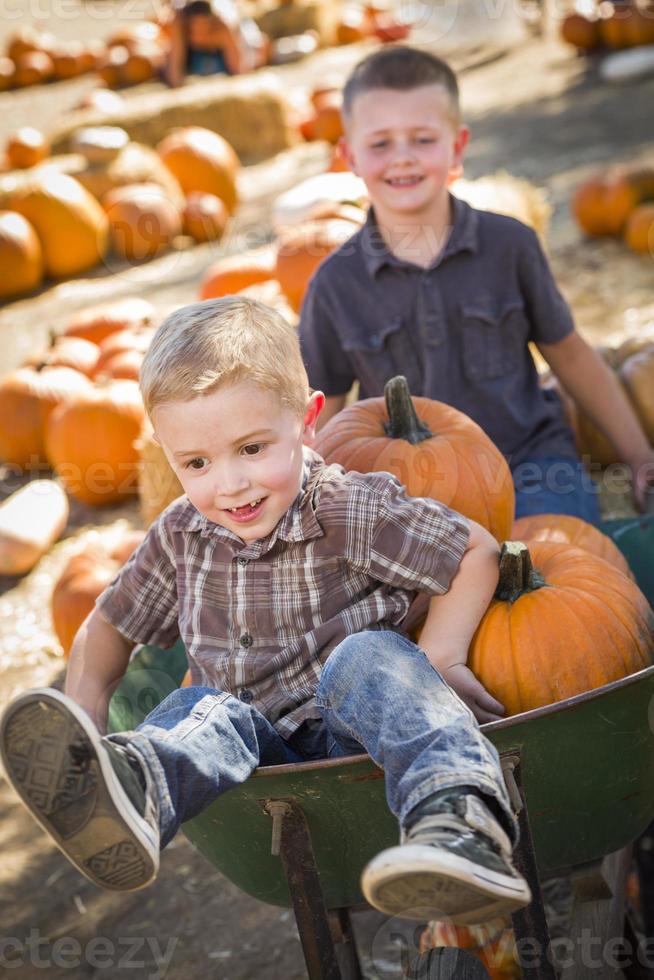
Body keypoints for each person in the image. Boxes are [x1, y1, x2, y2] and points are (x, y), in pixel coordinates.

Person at [0, 296, 531, 924]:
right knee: (203, 708)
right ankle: (131, 787)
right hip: (253, 761)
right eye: (195, 462)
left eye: (251, 449)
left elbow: (473, 546)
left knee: (367, 656)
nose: (229, 484)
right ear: (166, 452)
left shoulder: (342, 508)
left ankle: (458, 819)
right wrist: (85, 717)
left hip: (359, 736)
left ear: (307, 422)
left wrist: (441, 656)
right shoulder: (180, 534)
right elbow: (111, 622)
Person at [298, 46, 654, 523]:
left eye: (422, 139)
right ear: (349, 157)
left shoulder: (510, 246)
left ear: (458, 149)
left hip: (530, 466)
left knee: (553, 561)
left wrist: (638, 456)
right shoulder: (336, 284)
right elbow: (324, 410)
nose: (402, 158)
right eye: (380, 144)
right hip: (407, 490)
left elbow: (570, 354)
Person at [164, 0, 268, 88]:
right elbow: (175, 80)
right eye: (197, 30)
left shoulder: (223, 24)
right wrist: (179, 41)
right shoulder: (179, 25)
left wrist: (225, 39)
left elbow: (240, 74)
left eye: (205, 29)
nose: (202, 35)